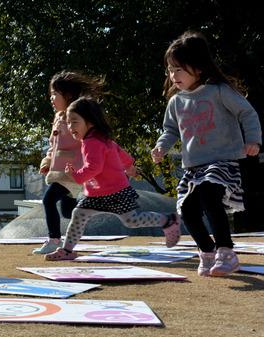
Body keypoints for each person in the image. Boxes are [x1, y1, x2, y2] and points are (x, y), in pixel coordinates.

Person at [151, 31, 261, 277]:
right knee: (187, 208)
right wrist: (161, 146)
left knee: (210, 195)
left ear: (198, 68)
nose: (173, 75)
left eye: (179, 69)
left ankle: (226, 251)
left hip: (223, 161)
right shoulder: (176, 102)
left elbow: (247, 113)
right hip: (194, 167)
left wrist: (253, 140)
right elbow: (169, 130)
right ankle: (208, 251)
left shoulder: (218, 91)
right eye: (170, 70)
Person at [45, 97, 181, 261]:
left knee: (131, 220)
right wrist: (129, 166)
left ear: (90, 122)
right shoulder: (101, 139)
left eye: (74, 122)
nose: (70, 126)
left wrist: (75, 175)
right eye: (68, 122)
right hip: (97, 192)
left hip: (115, 192)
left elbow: (94, 167)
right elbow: (119, 153)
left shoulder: (91, 142)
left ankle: (169, 220)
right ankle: (67, 250)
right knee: (80, 214)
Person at [33, 71, 105, 255]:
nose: (51, 98)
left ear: (69, 96)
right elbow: (53, 144)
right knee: (67, 211)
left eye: (55, 94)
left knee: (48, 200)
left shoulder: (76, 118)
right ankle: (90, 211)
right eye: (51, 94)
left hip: (72, 171)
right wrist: (47, 161)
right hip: (58, 171)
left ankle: (54, 240)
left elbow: (87, 142)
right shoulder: (57, 118)